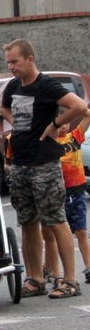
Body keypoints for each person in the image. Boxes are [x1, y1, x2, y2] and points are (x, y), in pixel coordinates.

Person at [0, 38, 86, 299]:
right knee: (27, 222)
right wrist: (17, 123)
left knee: (56, 220)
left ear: (30, 59)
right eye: (8, 62)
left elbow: (80, 107)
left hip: (45, 164)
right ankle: (35, 279)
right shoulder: (13, 86)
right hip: (21, 164)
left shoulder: (47, 85)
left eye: (15, 61)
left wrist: (54, 124)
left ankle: (70, 281)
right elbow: (4, 107)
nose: (11, 67)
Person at [55, 109, 90, 284]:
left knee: (82, 231)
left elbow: (87, 116)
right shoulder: (50, 142)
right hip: (60, 194)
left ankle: (89, 267)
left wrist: (82, 108)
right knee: (62, 234)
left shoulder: (74, 137)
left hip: (77, 192)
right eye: (59, 123)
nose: (63, 127)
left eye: (66, 123)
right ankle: (56, 270)